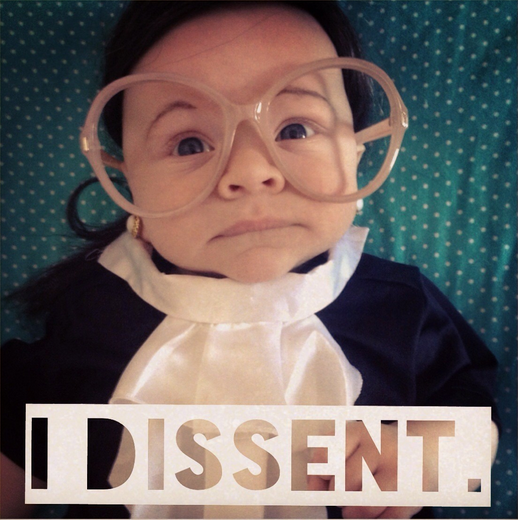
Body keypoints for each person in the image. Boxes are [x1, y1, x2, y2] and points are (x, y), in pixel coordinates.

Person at [0, 1, 500, 519]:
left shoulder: (400, 308)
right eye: (190, 143)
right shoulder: (96, 313)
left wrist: (430, 456)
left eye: (295, 130)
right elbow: (24, 436)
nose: (249, 169)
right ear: (128, 184)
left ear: (355, 154)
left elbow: (475, 411)